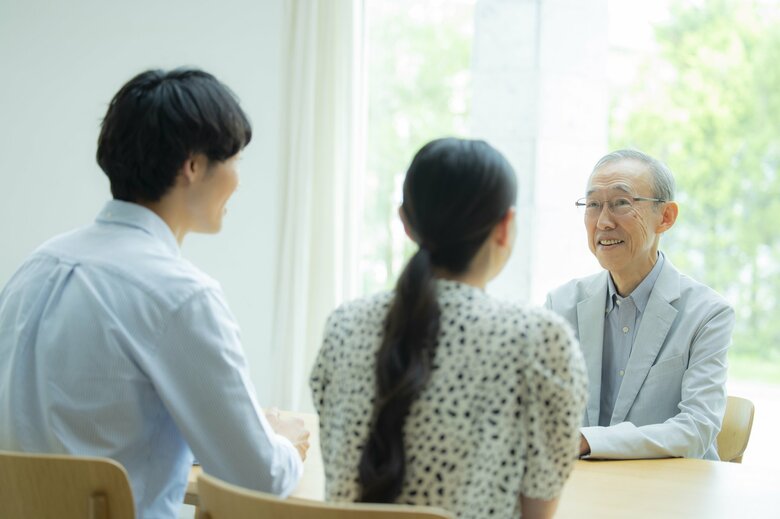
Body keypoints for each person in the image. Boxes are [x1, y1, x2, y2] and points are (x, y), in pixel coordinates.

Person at [0, 68, 309, 518]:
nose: (239, 180)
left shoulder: (35, 268)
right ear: (193, 165)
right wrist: (284, 443)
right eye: (235, 160)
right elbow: (259, 478)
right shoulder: (181, 295)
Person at [310, 138, 587, 519]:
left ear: (406, 223)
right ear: (505, 227)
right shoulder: (538, 339)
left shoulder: (344, 325)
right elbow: (539, 507)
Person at [545, 149, 735, 460]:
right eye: (593, 205)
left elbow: (697, 428)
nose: (603, 222)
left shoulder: (708, 313)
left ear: (666, 217)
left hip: (671, 487)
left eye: (621, 203)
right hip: (582, 483)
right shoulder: (560, 305)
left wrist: (589, 441)